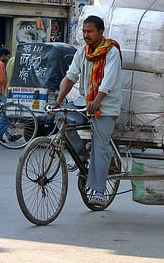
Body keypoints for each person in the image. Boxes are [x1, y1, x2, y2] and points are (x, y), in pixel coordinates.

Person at [52, 15, 122, 206]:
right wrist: (58, 100)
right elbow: (71, 76)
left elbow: (109, 80)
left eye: (90, 31)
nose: (86, 35)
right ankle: (80, 151)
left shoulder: (111, 51)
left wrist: (98, 100)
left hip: (106, 106)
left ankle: (99, 192)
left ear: (101, 32)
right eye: (84, 31)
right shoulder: (83, 51)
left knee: (100, 146)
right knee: (60, 117)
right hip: (85, 101)